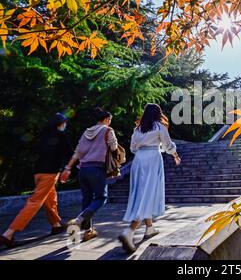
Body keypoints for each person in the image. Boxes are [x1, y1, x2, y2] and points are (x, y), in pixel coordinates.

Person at [0, 113, 72, 248]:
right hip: (49, 173)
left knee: (51, 198)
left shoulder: (42, 136)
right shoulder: (60, 135)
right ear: (60, 124)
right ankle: (8, 234)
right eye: (64, 122)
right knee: (35, 202)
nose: (65, 125)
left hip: (37, 173)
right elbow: (70, 153)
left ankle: (56, 225)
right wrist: (68, 169)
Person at [119, 103, 181, 252]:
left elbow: (132, 148)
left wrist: (142, 151)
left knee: (142, 194)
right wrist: (175, 156)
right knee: (149, 195)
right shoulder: (159, 127)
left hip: (139, 160)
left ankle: (149, 229)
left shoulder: (138, 128)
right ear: (158, 113)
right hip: (153, 158)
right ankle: (129, 231)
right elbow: (167, 145)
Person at [61, 107, 118, 242]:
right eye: (109, 120)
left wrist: (68, 167)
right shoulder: (108, 130)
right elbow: (114, 147)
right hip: (97, 169)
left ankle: (87, 231)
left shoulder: (87, 131)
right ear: (106, 119)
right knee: (101, 198)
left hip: (83, 170)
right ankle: (79, 220)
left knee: (87, 201)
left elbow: (78, 152)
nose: (110, 123)